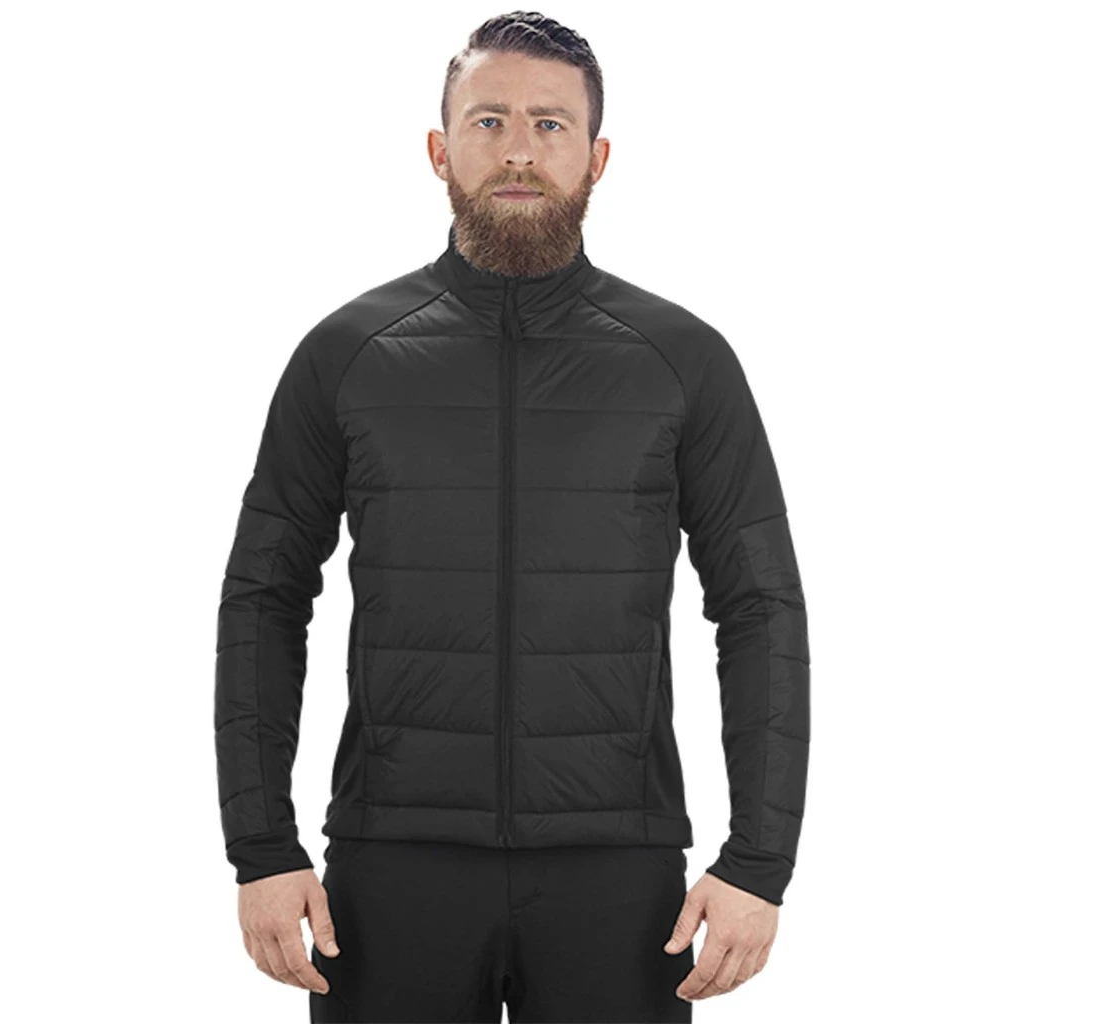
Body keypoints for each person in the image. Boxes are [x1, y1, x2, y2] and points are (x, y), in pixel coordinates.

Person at [214, 12, 810, 1022]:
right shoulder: (346, 354)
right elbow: (263, 597)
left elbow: (760, 608)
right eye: (488, 121)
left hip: (616, 873)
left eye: (550, 124)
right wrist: (261, 846)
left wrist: (758, 860)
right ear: (439, 149)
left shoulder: (682, 361)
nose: (519, 151)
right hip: (391, 866)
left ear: (597, 157)